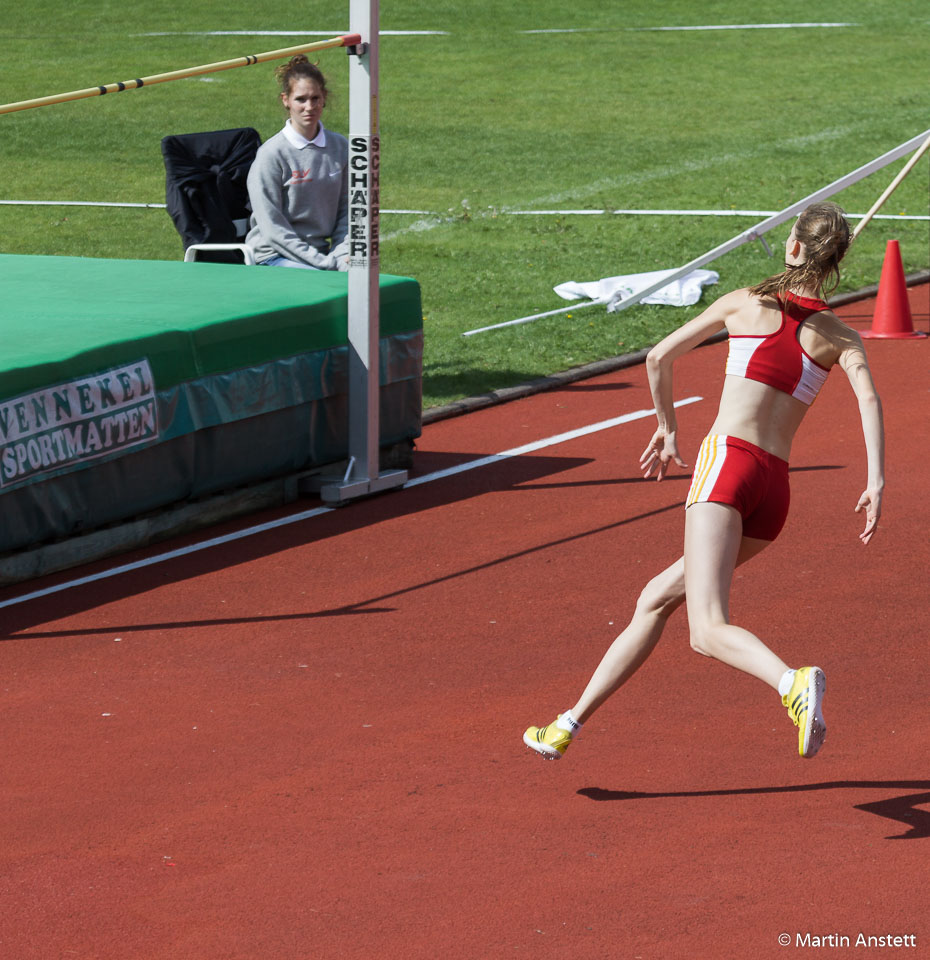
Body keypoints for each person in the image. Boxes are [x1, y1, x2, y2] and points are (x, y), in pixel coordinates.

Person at [524, 202, 884, 761]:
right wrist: (876, 479)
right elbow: (868, 400)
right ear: (834, 262)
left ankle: (791, 681)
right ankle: (566, 724)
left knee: (707, 629)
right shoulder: (840, 336)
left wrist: (668, 428)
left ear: (793, 248)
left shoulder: (744, 303)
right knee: (655, 599)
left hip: (728, 468)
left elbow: (658, 356)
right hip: (774, 490)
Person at [246, 56, 349, 270]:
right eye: (301, 99)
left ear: (324, 98)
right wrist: (326, 264)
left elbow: (349, 212)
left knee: (371, 287)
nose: (309, 106)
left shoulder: (341, 147)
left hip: (322, 256)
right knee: (328, 289)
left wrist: (343, 256)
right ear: (286, 100)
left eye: (315, 98)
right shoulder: (271, 155)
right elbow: (273, 230)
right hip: (273, 256)